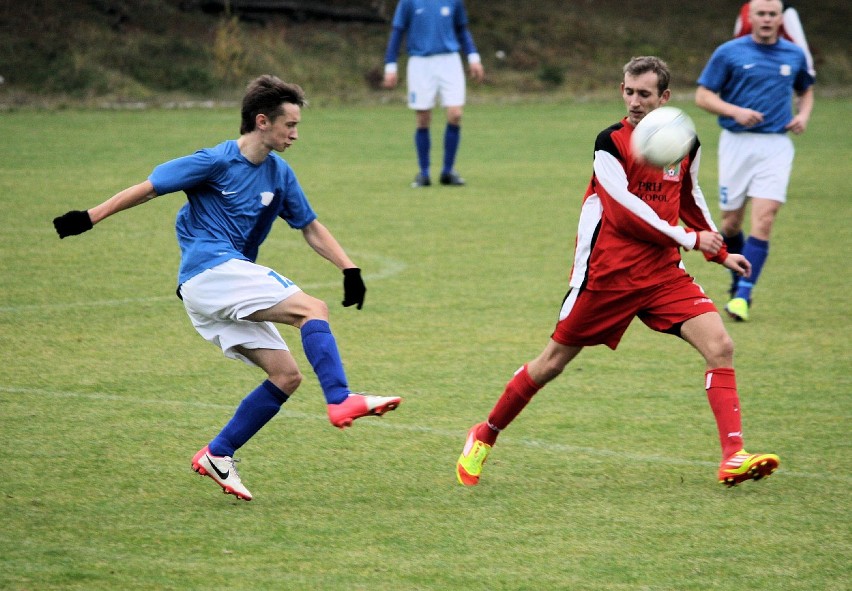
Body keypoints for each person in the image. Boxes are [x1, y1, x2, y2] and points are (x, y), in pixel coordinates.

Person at [52, 75, 402, 502]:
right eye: (289, 124)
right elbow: (148, 188)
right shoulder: (214, 162)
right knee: (312, 308)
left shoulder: (279, 173)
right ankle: (341, 397)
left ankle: (218, 454)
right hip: (211, 272)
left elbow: (308, 225)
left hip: (212, 291)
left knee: (286, 376)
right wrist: (89, 217)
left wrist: (349, 267)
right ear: (262, 121)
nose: (295, 134)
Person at [455, 56, 780, 489]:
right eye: (628, 91)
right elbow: (626, 214)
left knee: (720, 345)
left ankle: (733, 456)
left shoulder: (683, 139)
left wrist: (716, 248)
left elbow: (688, 195)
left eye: (644, 94)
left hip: (663, 273)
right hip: (607, 275)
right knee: (551, 364)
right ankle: (485, 434)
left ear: (664, 97)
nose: (634, 101)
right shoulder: (609, 142)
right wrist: (688, 239)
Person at [696, 0, 814, 321]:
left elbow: (806, 89)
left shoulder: (794, 53)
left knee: (765, 218)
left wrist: (803, 115)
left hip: (776, 145)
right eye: (759, 14)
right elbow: (703, 95)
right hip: (736, 144)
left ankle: (744, 296)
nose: (766, 19)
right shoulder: (729, 52)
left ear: (780, 18)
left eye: (772, 14)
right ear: (751, 17)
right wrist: (736, 111)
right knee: (731, 223)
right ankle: (738, 283)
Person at [382, 0, 485, 188]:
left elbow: (462, 29)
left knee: (456, 114)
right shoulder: (408, 2)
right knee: (423, 118)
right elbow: (397, 32)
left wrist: (473, 57)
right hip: (420, 63)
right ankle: (424, 173)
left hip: (449, 61)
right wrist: (391, 65)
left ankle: (447, 171)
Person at [734, 1, 816, 78]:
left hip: (778, 66)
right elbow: (737, 42)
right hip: (750, 65)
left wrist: (808, 72)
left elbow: (799, 43)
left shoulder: (786, 11)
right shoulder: (746, 9)